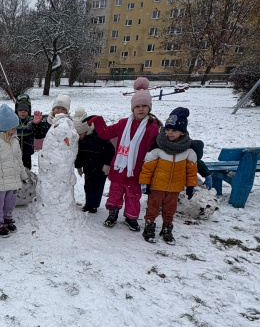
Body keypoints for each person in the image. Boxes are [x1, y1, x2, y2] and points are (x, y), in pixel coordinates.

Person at [85, 77, 161, 231]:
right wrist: (98, 120)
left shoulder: (152, 127)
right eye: (137, 106)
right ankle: (113, 213)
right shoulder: (123, 123)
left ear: (149, 107)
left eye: (144, 106)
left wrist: (147, 169)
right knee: (115, 192)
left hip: (136, 169)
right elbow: (105, 133)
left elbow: (151, 150)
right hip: (119, 167)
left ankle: (131, 218)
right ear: (132, 108)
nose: (141, 109)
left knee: (133, 195)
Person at [138, 107, 199, 244]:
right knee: (153, 207)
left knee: (170, 210)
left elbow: (191, 171)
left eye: (174, 130)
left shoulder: (188, 150)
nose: (169, 133)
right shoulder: (158, 147)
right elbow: (147, 168)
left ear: (182, 132)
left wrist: (191, 186)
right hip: (157, 186)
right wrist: (144, 183)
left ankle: (167, 228)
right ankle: (149, 226)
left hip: (175, 188)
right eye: (168, 129)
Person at [0, 104, 29, 236]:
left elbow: (18, 160)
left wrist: (24, 176)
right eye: (12, 128)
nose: (15, 130)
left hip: (13, 179)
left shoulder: (15, 141)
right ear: (5, 127)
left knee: (10, 202)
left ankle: (7, 217)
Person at [73, 107, 114, 213]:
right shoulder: (81, 139)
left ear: (86, 129)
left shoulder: (99, 136)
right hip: (88, 166)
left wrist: (107, 164)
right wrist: (78, 165)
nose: (79, 136)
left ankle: (93, 205)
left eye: (80, 133)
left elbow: (110, 150)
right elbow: (79, 153)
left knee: (97, 187)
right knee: (88, 186)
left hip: (100, 167)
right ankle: (88, 204)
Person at [13, 94, 49, 168]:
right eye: (20, 109)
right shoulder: (14, 121)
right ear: (16, 110)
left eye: (25, 109)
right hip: (14, 154)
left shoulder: (31, 122)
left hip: (27, 154)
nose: (23, 111)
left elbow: (39, 135)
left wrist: (37, 125)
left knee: (27, 171)